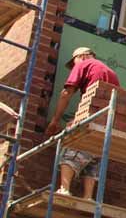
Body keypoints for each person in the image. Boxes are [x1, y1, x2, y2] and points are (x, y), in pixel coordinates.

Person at [45, 47, 120, 199]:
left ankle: (64, 189)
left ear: (83, 56)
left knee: (72, 145)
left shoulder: (83, 64)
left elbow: (66, 94)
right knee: (93, 154)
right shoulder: (110, 72)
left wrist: (54, 121)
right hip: (109, 122)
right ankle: (88, 197)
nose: (74, 67)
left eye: (74, 62)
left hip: (92, 116)